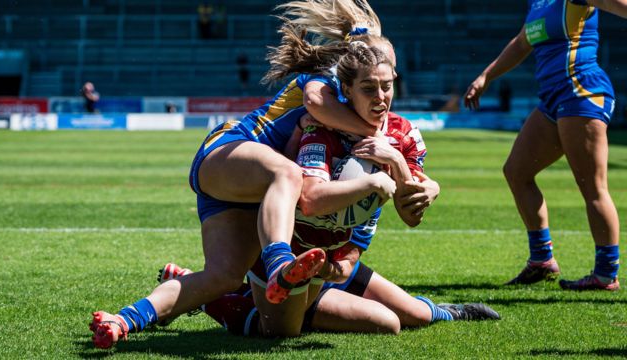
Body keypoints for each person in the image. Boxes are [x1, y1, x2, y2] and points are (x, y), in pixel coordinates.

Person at [88, 0, 417, 349]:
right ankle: (278, 264)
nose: (385, 83)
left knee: (224, 277)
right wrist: (381, 140)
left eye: (390, 76)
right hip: (229, 151)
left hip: (249, 188)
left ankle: (124, 320)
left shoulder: (355, 105)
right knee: (288, 175)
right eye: (381, 67)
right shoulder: (326, 83)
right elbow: (315, 104)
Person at [157, 36, 498, 337]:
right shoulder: (319, 125)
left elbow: (410, 215)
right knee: (278, 332)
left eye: (388, 82)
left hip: (329, 253)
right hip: (294, 249)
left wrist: (403, 168)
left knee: (402, 320)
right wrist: (375, 177)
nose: (381, 96)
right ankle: (213, 299)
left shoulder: (401, 135)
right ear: (347, 86)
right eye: (369, 86)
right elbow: (310, 199)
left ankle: (445, 310)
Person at [463, 0, 627, 291]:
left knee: (592, 186)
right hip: (554, 99)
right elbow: (521, 43)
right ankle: (541, 260)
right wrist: (486, 76)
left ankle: (606, 274)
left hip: (581, 91)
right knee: (516, 171)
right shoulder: (538, 3)